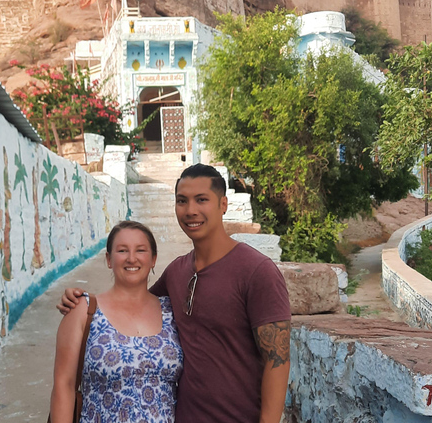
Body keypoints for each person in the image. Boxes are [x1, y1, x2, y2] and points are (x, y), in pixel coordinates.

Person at [60, 164, 291, 422]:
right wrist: (83, 302)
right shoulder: (176, 272)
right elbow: (132, 302)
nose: (191, 210)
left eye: (201, 200)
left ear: (223, 204)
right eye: (182, 201)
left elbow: (278, 362)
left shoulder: (257, 271)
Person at [50, 221, 184, 423]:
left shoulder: (171, 310)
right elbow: (64, 385)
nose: (131, 258)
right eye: (122, 250)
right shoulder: (83, 310)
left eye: (140, 250)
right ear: (109, 259)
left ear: (153, 259)